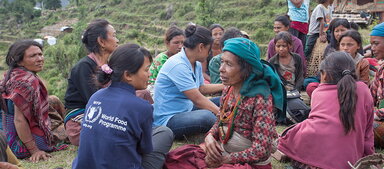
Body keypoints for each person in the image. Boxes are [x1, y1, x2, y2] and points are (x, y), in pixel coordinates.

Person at [165, 38, 284, 169]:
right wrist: (210, 136)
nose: (221, 69)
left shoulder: (261, 98)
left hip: (249, 163)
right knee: (179, 157)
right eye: (222, 62)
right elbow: (221, 120)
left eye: (229, 64)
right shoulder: (229, 88)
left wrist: (225, 160)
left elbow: (261, 151)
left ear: (246, 68)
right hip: (224, 150)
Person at [72, 43, 174, 169]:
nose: (149, 75)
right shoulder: (142, 107)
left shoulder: (96, 97)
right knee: (165, 132)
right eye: (146, 70)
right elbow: (145, 148)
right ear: (128, 75)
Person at [276, 52, 374, 169]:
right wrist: (368, 157)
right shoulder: (364, 90)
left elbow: (316, 125)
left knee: (294, 133)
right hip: (350, 162)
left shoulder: (319, 92)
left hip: (319, 156)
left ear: (325, 75)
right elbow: (368, 132)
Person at [0, 40, 68, 162]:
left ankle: (66, 122)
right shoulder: (26, 82)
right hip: (18, 141)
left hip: (6, 130)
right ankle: (66, 128)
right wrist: (35, 150)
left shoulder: (14, 74)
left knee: (53, 100)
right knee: (72, 131)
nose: (40, 59)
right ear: (19, 61)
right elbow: (19, 120)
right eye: (33, 56)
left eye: (40, 54)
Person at [153, 24, 224, 139]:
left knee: (224, 100)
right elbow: (197, 99)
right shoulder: (178, 64)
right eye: (209, 49)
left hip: (186, 109)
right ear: (201, 47)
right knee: (207, 117)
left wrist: (226, 86)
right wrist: (222, 115)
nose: (209, 53)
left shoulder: (196, 63)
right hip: (169, 119)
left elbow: (201, 88)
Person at [63, 19, 119, 146]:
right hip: (82, 122)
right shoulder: (84, 67)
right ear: (101, 41)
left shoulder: (109, 66)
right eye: (114, 35)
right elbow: (95, 102)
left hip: (105, 115)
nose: (117, 40)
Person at [369, 22, 384, 148]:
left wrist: (372, 114)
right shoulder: (380, 69)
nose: (372, 48)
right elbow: (371, 98)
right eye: (371, 44)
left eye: (376, 43)